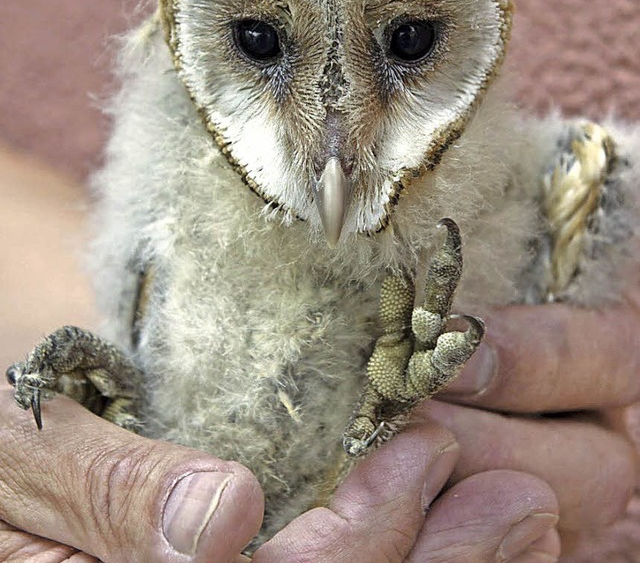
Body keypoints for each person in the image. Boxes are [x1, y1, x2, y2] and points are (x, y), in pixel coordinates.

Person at [0, 154, 638, 561]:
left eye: (408, 41)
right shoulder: (166, 152)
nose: (335, 138)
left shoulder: (529, 169)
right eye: (261, 40)